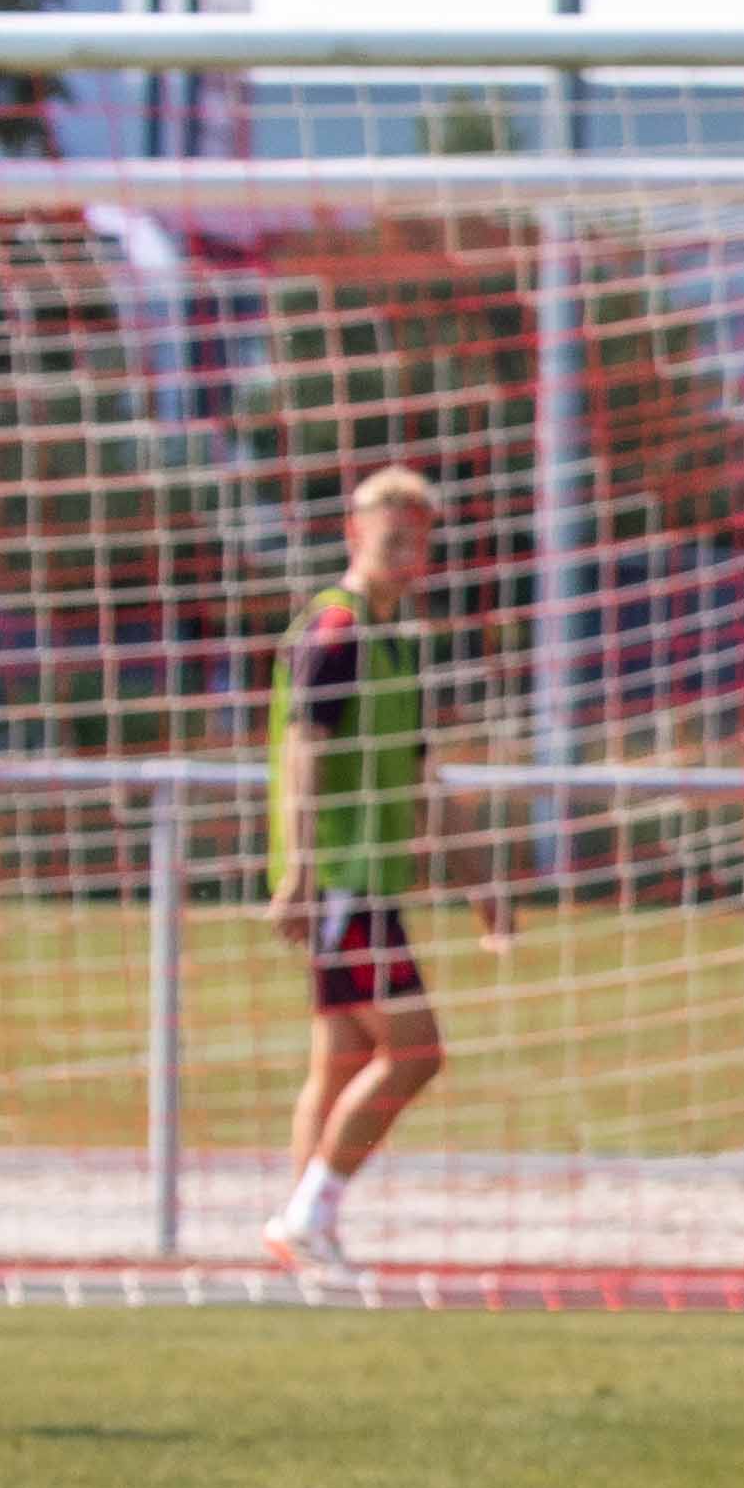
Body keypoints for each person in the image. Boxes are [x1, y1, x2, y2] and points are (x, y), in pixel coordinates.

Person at [260, 468, 505, 1283]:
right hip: (341, 878)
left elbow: (422, 772)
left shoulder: (402, 641)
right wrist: (300, 871)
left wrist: (479, 881)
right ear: (354, 534)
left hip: (369, 877)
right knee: (416, 1052)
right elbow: (307, 749)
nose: (407, 554)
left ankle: (305, 1234)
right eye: (392, 538)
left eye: (419, 540)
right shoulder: (336, 628)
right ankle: (307, 1215)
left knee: (336, 1061)